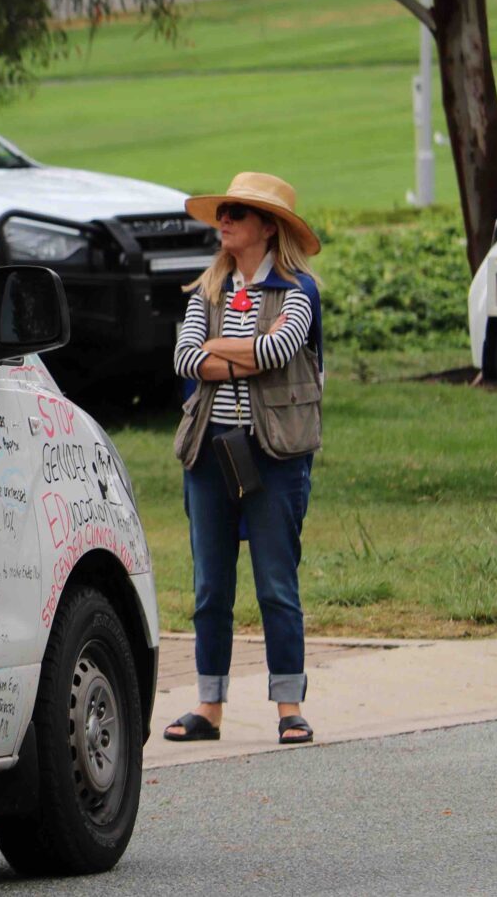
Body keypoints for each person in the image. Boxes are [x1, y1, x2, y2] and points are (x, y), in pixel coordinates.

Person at [163, 172, 323, 748]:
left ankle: (290, 707)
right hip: (211, 451)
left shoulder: (298, 290)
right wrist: (241, 354)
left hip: (273, 455)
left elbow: (279, 351)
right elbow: (185, 360)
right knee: (211, 586)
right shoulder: (208, 290)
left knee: (276, 585)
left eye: (236, 212)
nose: (223, 220)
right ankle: (210, 706)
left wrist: (218, 350)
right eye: (222, 212)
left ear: (266, 227)